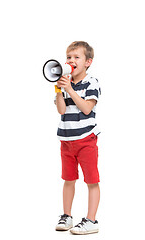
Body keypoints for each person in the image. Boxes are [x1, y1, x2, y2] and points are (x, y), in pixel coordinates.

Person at [55, 41, 101, 235]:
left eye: (76, 57)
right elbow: (61, 110)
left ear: (88, 62)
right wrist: (59, 91)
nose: (71, 61)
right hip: (66, 140)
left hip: (86, 140)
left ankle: (91, 220)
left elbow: (86, 108)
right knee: (68, 179)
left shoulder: (92, 82)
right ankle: (67, 216)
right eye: (68, 57)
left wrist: (71, 90)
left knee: (91, 180)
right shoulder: (64, 83)